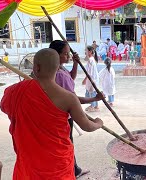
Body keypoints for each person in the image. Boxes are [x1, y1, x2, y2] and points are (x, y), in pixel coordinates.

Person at [0, 48, 104, 179]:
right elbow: (87, 126)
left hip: (30, 160)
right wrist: (99, 123)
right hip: (58, 163)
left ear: (36, 67)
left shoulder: (15, 91)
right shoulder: (68, 98)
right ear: (57, 68)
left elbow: (5, 107)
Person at [49, 40, 104, 178]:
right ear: (56, 55)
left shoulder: (58, 69)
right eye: (65, 54)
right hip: (63, 117)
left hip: (58, 115)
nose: (68, 56)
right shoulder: (59, 74)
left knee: (66, 143)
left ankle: (74, 169)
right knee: (67, 144)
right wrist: (94, 99)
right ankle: (71, 171)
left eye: (69, 53)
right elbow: (72, 100)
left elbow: (71, 77)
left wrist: (75, 63)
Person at [82, 46, 100, 112]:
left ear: (90, 52)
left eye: (86, 51)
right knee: (94, 92)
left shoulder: (91, 60)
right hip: (93, 78)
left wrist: (85, 79)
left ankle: (93, 106)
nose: (85, 52)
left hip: (92, 78)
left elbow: (89, 72)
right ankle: (95, 105)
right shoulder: (91, 59)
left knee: (92, 92)